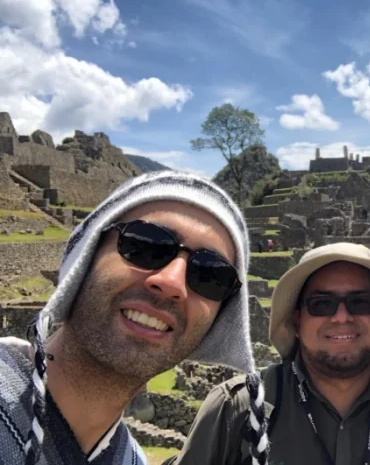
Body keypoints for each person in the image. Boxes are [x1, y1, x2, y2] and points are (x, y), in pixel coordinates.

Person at [0, 171, 270, 465]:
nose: (172, 282)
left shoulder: (130, 459)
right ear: (85, 257)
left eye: (211, 276)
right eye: (145, 245)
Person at [173, 242, 370, 464]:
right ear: (297, 320)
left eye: (360, 302)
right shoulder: (235, 409)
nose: (341, 317)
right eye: (321, 304)